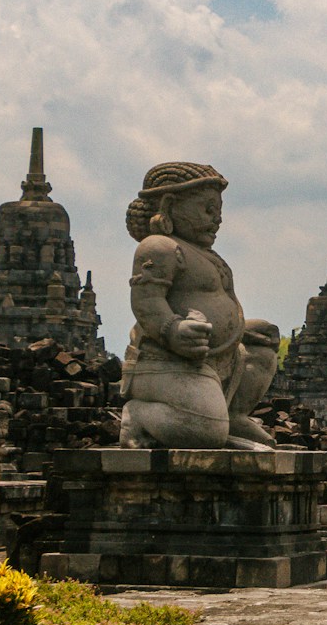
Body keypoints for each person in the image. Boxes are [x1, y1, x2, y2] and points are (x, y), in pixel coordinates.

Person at [117, 161, 281, 450]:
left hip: (217, 359)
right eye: (207, 210)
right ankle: (140, 415)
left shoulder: (203, 253)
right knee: (205, 432)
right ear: (169, 205)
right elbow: (146, 302)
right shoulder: (159, 247)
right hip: (167, 363)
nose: (217, 220)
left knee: (263, 340)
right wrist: (173, 328)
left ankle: (232, 414)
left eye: (219, 212)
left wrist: (240, 330)